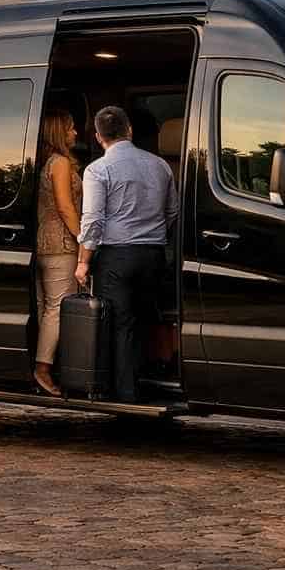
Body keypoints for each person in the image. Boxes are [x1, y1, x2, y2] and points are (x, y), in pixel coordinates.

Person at [74, 105, 178, 403]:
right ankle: (153, 384)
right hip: (154, 254)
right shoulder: (160, 166)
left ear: (97, 137)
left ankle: (127, 396)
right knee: (147, 318)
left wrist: (83, 262)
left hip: (116, 258)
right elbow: (172, 212)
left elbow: (92, 221)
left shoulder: (97, 170)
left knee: (121, 325)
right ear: (129, 130)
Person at [33, 108, 83, 397]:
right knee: (58, 308)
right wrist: (83, 239)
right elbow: (65, 207)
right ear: (59, 133)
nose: (75, 132)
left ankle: (47, 364)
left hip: (44, 243)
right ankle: (43, 369)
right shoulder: (61, 163)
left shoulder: (47, 161)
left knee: (46, 308)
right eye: (71, 128)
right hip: (61, 244)